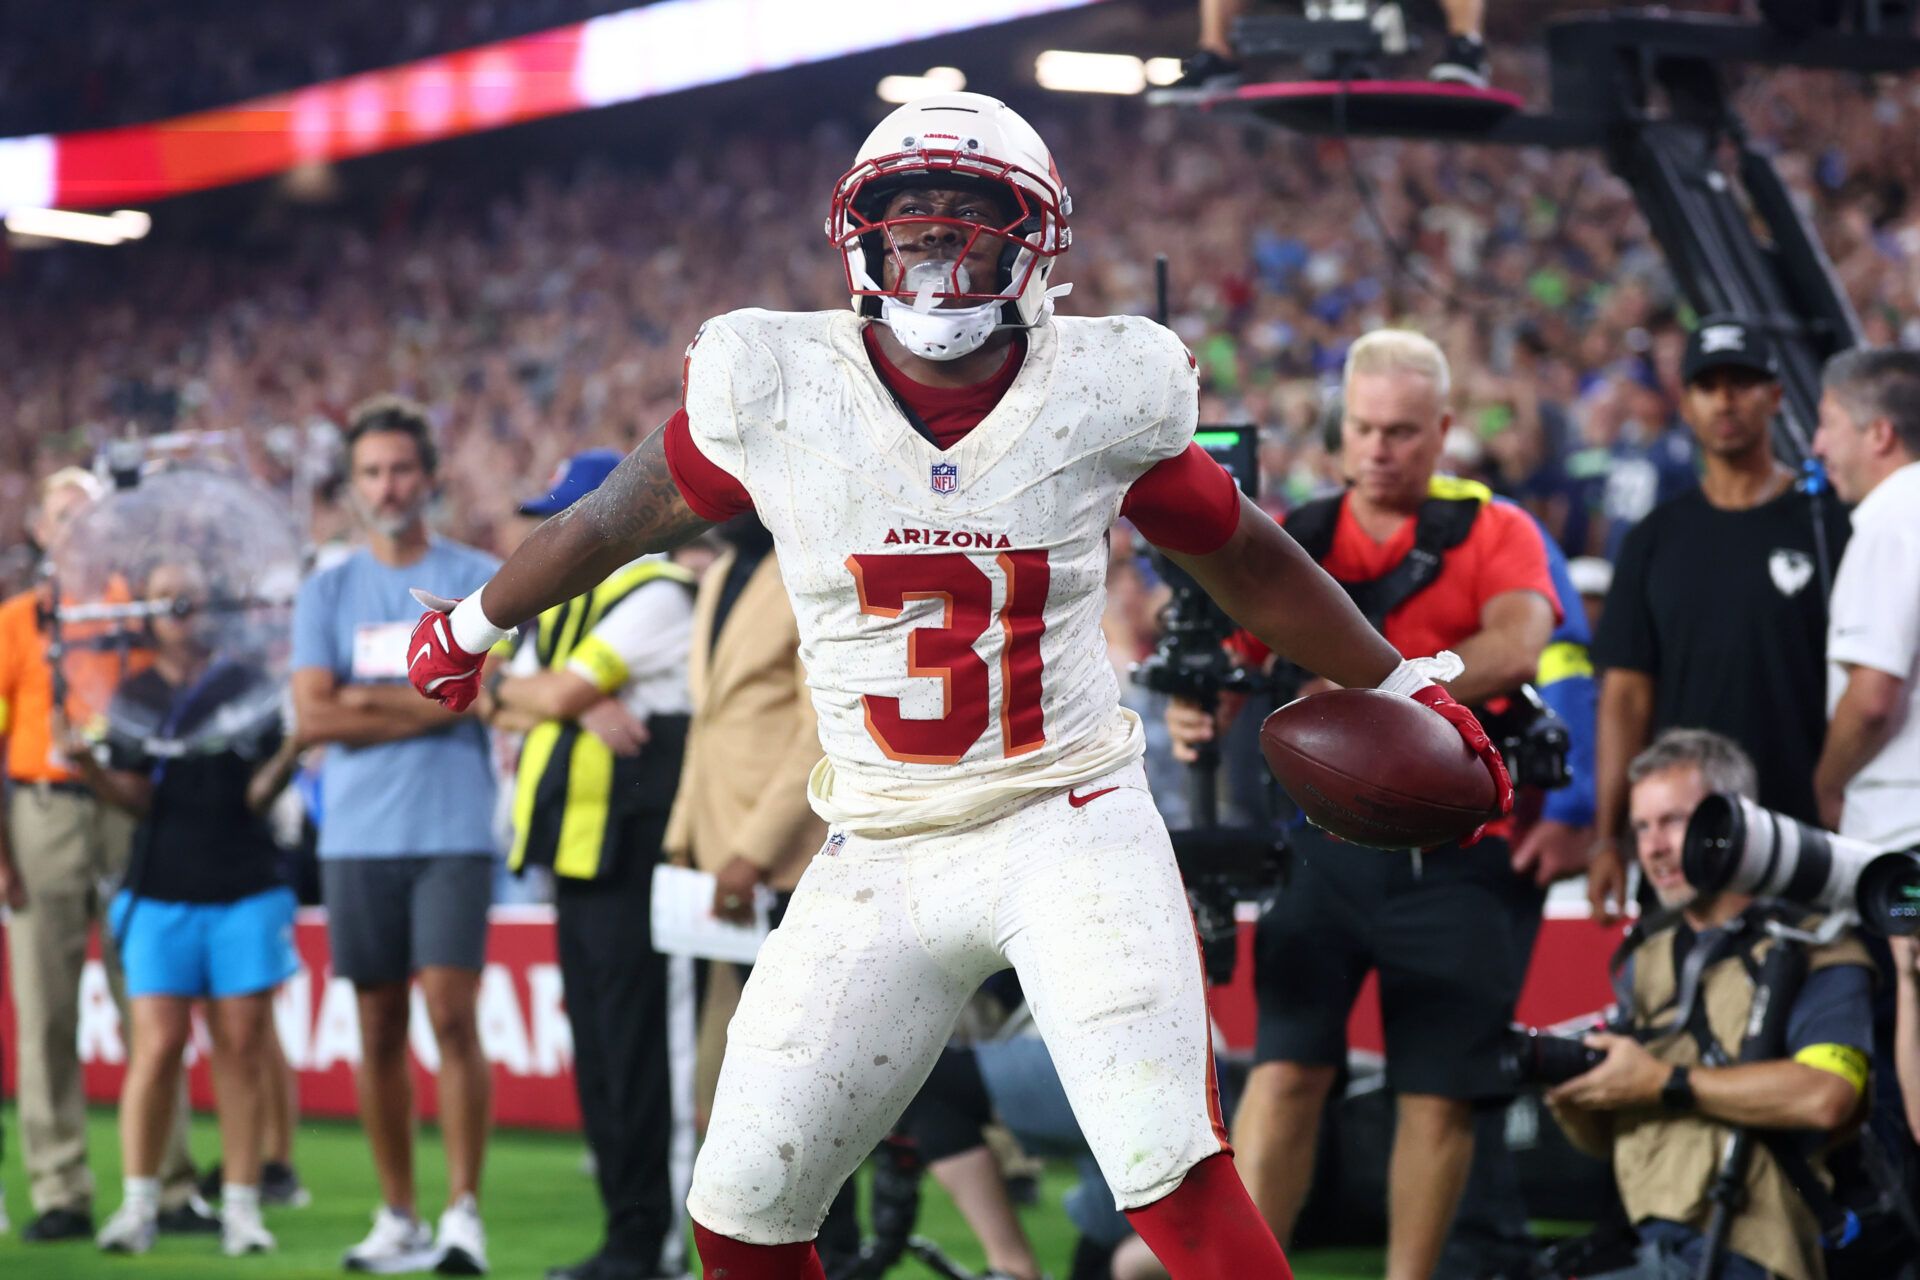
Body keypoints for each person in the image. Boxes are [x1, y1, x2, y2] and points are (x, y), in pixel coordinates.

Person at [406, 91, 1509, 1280]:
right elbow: (620, 512)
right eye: (912, 223)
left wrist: (1398, 676)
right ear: (863, 241)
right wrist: (473, 620)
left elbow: (1242, 552)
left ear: (1030, 241)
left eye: (970, 222)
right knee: (741, 1203)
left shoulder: (1099, 389)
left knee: (1170, 1168)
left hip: (1067, 819)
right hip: (878, 841)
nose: (937, 247)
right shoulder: (781, 384)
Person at [1168, 330, 1557, 1280]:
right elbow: (1233, 665)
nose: (1380, 447)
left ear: (1443, 433)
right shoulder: (1299, 531)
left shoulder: (1493, 526)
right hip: (1326, 848)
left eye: (1403, 431)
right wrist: (1199, 704)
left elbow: (1522, 640)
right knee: (1288, 1071)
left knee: (1438, 1093)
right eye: (1365, 428)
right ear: (1340, 431)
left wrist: (1397, 694)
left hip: (1460, 852)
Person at [291, 395, 501, 1275]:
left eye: (401, 468)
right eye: (372, 471)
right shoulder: (327, 587)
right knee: (377, 1030)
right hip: (355, 840)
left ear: (430, 477)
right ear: (352, 485)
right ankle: (398, 1216)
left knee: (453, 1018)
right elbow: (311, 716)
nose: (387, 485)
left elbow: (491, 696)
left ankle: (462, 1214)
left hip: (452, 831)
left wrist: (362, 706)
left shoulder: (482, 576)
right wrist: (433, 700)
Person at [1548, 728, 1874, 1280]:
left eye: (1673, 822)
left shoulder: (1813, 943)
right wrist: (1576, 1090)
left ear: (1732, 821)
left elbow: (1827, 1097)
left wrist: (1662, 1082)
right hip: (1650, 1243)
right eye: (1642, 828)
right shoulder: (1647, 956)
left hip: (1755, 1251)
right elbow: (1607, 1142)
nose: (1652, 848)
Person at [482, 449, 699, 1280]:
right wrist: (555, 697)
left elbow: (534, 696)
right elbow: (504, 693)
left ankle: (657, 1244)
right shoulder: (583, 608)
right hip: (577, 853)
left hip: (636, 851)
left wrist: (559, 698)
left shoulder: (654, 591)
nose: (553, 540)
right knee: (606, 1054)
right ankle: (626, 1237)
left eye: (567, 521)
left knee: (645, 1054)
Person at [61, 562, 303, 1258]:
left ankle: (241, 1207)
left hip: (244, 887)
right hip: (161, 889)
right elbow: (137, 796)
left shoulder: (249, 686)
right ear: (148, 607)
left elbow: (257, 795)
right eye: (165, 591)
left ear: (211, 604)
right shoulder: (132, 693)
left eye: (190, 591)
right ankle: (140, 1206)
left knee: (241, 1050)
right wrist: (92, 772)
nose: (178, 603)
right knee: (158, 1047)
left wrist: (295, 745)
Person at [0, 468, 209, 1243]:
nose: (75, 530)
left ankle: (170, 1182)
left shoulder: (141, 610)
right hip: (43, 811)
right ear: (40, 531)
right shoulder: (17, 621)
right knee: (46, 1011)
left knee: (151, 1000)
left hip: (127, 808)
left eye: (90, 517)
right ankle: (61, 1187)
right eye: (63, 515)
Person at [1588, 321, 1852, 922]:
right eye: (1708, 385)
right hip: (1685, 847)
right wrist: (1608, 836)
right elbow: (1625, 697)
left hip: (1810, 832)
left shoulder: (1829, 524)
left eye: (1743, 382)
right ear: (1685, 404)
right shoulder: (1654, 538)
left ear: (1776, 396)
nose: (1726, 399)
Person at [1810, 347, 1920, 848]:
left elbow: (1873, 696)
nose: (1817, 446)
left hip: (1902, 834)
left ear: (1879, 434)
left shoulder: (1890, 522)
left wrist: (1827, 783)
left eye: (1829, 424)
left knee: (1904, 925)